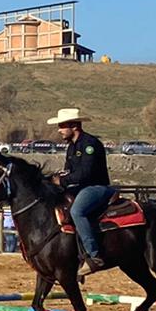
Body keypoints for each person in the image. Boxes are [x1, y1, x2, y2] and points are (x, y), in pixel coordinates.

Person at [48, 107, 116, 272]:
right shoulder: (71, 147)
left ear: (74, 126)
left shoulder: (90, 144)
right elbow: (69, 170)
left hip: (96, 187)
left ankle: (94, 255)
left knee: (77, 211)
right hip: (79, 188)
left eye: (62, 126)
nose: (59, 130)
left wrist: (62, 180)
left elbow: (86, 174)